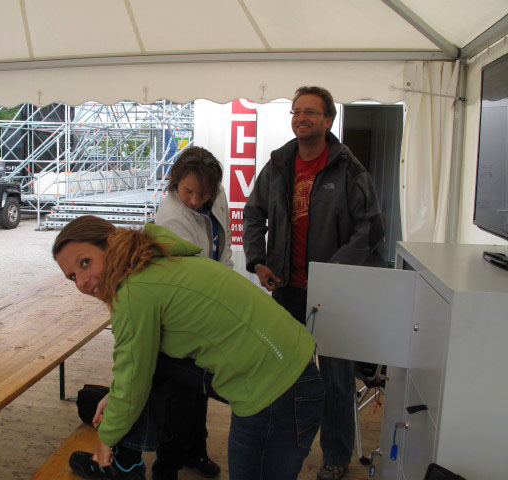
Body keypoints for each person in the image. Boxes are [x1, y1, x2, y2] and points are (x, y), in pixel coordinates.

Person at [52, 215, 324, 480]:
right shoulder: (155, 260)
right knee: (155, 366)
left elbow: (132, 378)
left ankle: (119, 466)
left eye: (85, 263)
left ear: (111, 243)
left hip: (278, 393)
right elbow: (136, 367)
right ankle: (127, 464)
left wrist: (105, 439)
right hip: (291, 371)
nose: (83, 282)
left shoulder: (134, 293)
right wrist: (115, 395)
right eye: (72, 276)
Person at [242, 86, 385, 480]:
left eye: (310, 112)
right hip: (286, 289)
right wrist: (258, 260)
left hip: (332, 294)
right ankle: (288, 444)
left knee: (337, 380)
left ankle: (336, 458)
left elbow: (370, 230)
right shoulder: (278, 165)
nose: (301, 118)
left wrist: (331, 273)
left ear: (327, 120)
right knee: (285, 371)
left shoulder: (349, 170)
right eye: (296, 111)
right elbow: (254, 214)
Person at [153, 146, 231, 479]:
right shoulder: (171, 216)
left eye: (204, 193)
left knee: (200, 388)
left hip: (209, 302)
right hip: (182, 312)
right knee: (179, 394)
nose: (196, 200)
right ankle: (166, 466)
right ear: (175, 183)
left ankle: (195, 451)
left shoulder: (216, 194)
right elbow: (191, 275)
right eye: (188, 192)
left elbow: (223, 248)